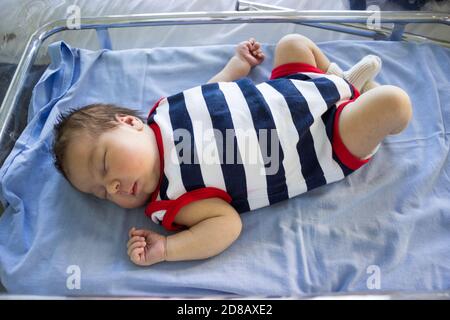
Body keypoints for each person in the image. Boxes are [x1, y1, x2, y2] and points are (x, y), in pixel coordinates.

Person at [52, 34, 412, 266]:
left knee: (292, 44)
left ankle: (340, 80)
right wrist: (167, 250)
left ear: (129, 124)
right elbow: (227, 225)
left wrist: (237, 66)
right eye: (101, 193)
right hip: (323, 141)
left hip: (291, 89)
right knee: (395, 104)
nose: (113, 188)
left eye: (104, 165)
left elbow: (209, 95)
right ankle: (358, 94)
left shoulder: (163, 110)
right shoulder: (171, 198)